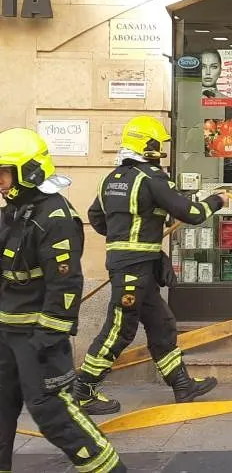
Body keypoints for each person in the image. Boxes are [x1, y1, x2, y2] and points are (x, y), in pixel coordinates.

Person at [72, 116, 226, 415]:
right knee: (120, 329)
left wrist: (128, 239)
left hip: (131, 264)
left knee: (161, 323)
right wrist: (217, 200)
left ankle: (181, 384)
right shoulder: (152, 178)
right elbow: (192, 213)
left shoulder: (110, 179)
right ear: (148, 145)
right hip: (136, 268)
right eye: (158, 144)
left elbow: (97, 217)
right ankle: (84, 389)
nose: (161, 150)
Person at [0, 128, 125, 473]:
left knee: (51, 411)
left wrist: (48, 337)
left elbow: (66, 284)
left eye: (4, 173)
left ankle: (108, 468)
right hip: (6, 330)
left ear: (29, 171)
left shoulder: (54, 217)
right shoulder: (13, 211)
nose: (0, 182)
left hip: (37, 336)